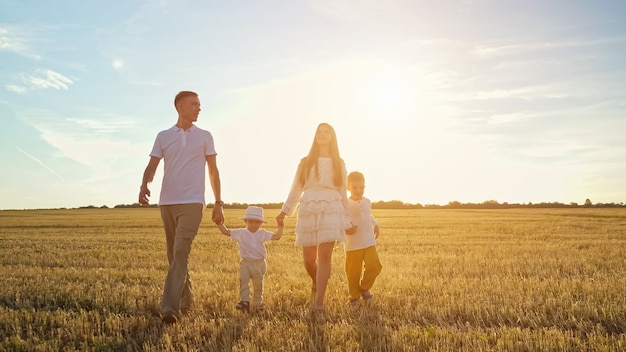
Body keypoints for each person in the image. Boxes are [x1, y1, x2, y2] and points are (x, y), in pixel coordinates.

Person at [138, 90, 224, 324]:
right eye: (194, 104)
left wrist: (218, 202)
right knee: (174, 255)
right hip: (167, 202)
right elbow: (152, 166)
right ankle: (187, 297)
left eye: (199, 104)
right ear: (180, 107)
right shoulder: (163, 136)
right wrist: (144, 184)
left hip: (193, 202)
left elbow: (213, 171)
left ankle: (169, 308)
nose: (199, 108)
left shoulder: (205, 136)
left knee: (180, 252)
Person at [275, 122, 355, 315]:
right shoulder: (305, 162)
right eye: (319, 131)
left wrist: (348, 218)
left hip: (332, 206)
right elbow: (296, 188)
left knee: (325, 256)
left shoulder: (339, 162)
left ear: (333, 137)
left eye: (327, 131)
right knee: (309, 259)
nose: (322, 134)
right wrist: (285, 211)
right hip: (309, 206)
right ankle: (316, 280)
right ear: (315, 136)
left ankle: (319, 302)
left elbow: (343, 192)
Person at [217, 206, 283, 313]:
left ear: (261, 223)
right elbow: (226, 232)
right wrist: (219, 223)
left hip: (259, 263)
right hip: (245, 263)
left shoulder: (263, 233)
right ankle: (245, 301)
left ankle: (257, 304)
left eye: (257, 222)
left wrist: (280, 227)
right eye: (251, 221)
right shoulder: (240, 232)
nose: (254, 224)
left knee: (258, 285)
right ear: (245, 221)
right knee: (243, 282)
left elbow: (277, 237)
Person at [344, 171, 382, 309]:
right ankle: (354, 297)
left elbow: (368, 215)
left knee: (375, 266)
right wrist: (346, 228)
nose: (358, 191)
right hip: (353, 243)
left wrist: (375, 224)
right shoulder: (345, 204)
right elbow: (341, 219)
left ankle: (364, 288)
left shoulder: (367, 201)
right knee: (353, 272)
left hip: (368, 240)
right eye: (355, 188)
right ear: (348, 187)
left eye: (361, 187)